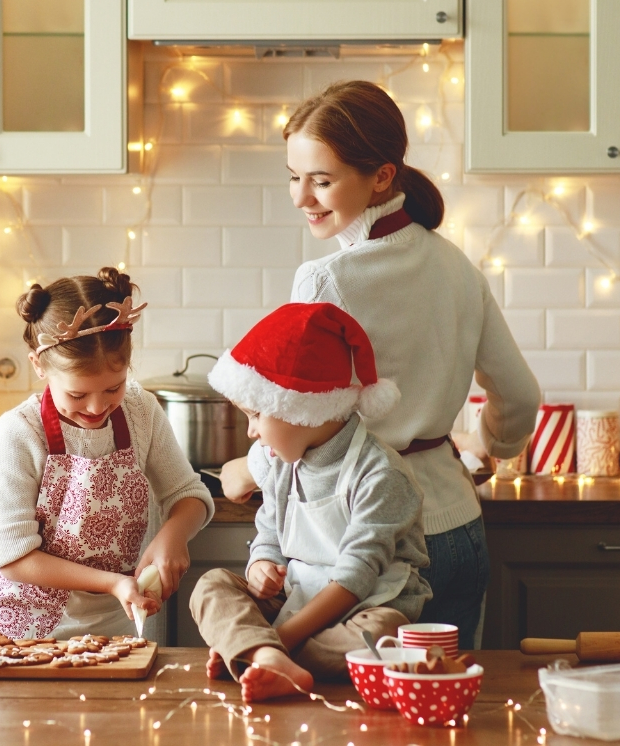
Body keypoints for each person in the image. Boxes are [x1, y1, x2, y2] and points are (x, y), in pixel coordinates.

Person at [219, 80, 540, 650]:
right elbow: (518, 396)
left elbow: (297, 411)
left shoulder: (324, 279)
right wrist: (486, 448)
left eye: (322, 180)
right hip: (459, 527)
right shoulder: (456, 265)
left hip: (363, 538)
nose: (301, 197)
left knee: (346, 721)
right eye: (295, 177)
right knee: (443, 713)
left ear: (382, 175)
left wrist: (250, 468)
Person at [192, 302, 431, 703]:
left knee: (383, 635)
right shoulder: (281, 462)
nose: (251, 432)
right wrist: (261, 565)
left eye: (255, 416)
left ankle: (257, 652)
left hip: (364, 606)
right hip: (297, 597)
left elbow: (356, 581)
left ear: (301, 409)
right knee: (210, 586)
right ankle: (266, 656)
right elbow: (269, 529)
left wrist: (278, 638)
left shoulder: (381, 475)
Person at [0, 267, 214, 639]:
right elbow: (13, 556)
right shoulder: (19, 432)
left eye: (113, 388)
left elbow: (189, 495)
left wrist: (173, 536)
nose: (97, 407)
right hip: (17, 634)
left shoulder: (140, 410)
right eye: (77, 395)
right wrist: (113, 583)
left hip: (108, 633)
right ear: (39, 365)